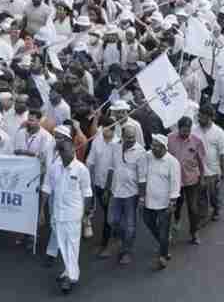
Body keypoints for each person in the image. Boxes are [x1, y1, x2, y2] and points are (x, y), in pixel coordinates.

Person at [42, 133, 93, 292]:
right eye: (65, 150)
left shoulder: (81, 169)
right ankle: (67, 271)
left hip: (73, 215)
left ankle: (71, 277)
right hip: (57, 213)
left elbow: (87, 193)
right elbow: (46, 188)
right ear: (60, 153)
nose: (71, 152)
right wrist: (41, 211)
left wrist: (86, 215)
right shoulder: (54, 168)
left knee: (71, 246)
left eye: (71, 149)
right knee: (63, 245)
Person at [100, 124, 146, 265]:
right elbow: (111, 169)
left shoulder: (140, 151)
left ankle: (126, 251)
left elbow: (142, 177)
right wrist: (107, 189)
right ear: (122, 136)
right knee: (112, 220)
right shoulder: (115, 147)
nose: (131, 140)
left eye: (133, 137)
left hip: (131, 194)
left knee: (130, 225)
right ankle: (121, 239)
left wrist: (142, 198)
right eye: (128, 137)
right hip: (115, 191)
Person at [141, 134, 181, 272]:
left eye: (156, 146)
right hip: (148, 201)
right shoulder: (148, 156)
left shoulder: (172, 162)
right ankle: (164, 245)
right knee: (148, 222)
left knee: (164, 231)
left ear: (164, 147)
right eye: (152, 145)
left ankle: (162, 257)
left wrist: (172, 202)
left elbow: (175, 184)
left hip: (165, 204)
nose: (153, 148)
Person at [166, 116, 208, 245]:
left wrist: (202, 178)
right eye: (183, 130)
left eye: (188, 130)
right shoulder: (169, 139)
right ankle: (175, 222)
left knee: (193, 208)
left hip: (191, 180)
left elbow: (201, 162)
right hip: (174, 181)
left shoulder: (196, 141)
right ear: (178, 128)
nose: (186, 133)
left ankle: (194, 233)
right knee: (175, 206)